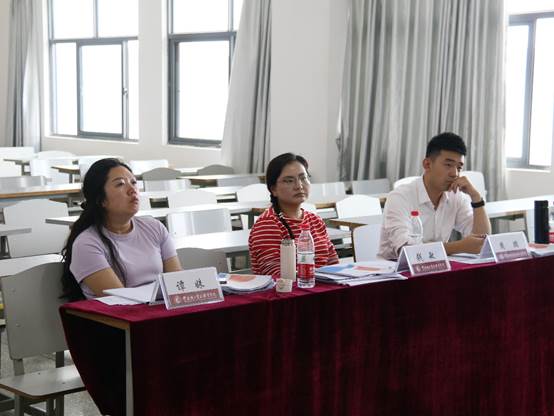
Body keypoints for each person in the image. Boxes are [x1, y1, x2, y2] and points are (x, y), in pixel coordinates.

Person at [61, 158, 182, 300]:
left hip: (158, 309)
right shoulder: (87, 243)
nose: (132, 190)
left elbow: (178, 283)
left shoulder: (155, 227)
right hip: (123, 312)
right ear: (101, 199)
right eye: (120, 184)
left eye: (134, 182)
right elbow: (121, 301)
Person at [379, 132, 491, 260]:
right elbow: (406, 250)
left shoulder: (455, 196)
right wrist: (459, 246)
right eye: (448, 165)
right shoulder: (400, 197)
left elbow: (481, 241)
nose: (455, 173)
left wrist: (476, 197)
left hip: (437, 266)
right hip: (395, 268)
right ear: (427, 164)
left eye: (459, 167)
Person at [248, 153, 339, 277]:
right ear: (273, 189)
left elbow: (334, 265)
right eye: (289, 181)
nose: (299, 186)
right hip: (292, 288)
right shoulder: (267, 224)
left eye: (303, 178)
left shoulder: (315, 220)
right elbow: (276, 276)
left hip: (322, 286)